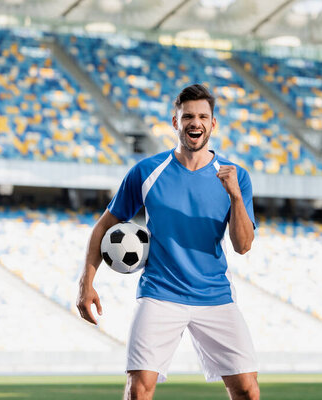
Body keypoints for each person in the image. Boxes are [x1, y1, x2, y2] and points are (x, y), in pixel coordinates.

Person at [76, 84, 259, 400]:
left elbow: (243, 245)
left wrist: (236, 196)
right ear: (176, 122)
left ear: (213, 124)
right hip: (160, 293)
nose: (195, 122)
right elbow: (104, 227)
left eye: (203, 116)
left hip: (215, 295)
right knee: (139, 390)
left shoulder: (235, 176)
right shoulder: (146, 172)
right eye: (187, 116)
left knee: (247, 390)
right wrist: (86, 283)